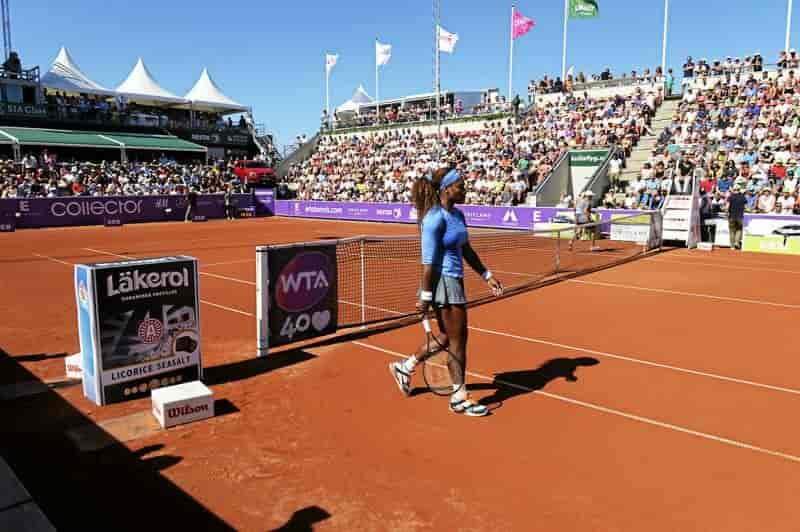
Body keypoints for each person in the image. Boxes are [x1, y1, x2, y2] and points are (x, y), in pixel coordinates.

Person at [389, 166, 504, 417]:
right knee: (458, 340)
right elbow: (428, 263)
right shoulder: (434, 219)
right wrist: (426, 297)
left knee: (445, 336)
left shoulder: (458, 216)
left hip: (455, 280)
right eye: (461, 186)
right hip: (442, 282)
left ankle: (405, 367)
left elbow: (467, 250)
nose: (465, 190)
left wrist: (487, 274)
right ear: (447, 189)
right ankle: (459, 397)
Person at [727, 185, 747, 250]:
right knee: (739, 229)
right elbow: (746, 207)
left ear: (734, 189)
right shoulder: (743, 197)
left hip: (731, 216)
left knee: (732, 231)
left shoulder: (730, 197)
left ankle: (732, 246)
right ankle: (736, 242)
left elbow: (727, 207)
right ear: (739, 189)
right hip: (740, 216)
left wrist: (726, 212)